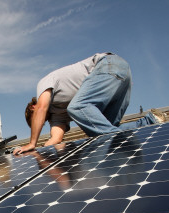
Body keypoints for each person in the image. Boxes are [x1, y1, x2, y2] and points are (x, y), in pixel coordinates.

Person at [14, 53, 166, 155]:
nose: (43, 121)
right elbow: (55, 140)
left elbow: (42, 107)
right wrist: (35, 154)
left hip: (109, 66)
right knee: (105, 134)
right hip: (121, 81)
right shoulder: (57, 116)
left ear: (32, 107)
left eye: (36, 119)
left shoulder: (43, 85)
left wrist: (32, 142)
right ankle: (151, 121)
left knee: (76, 107)